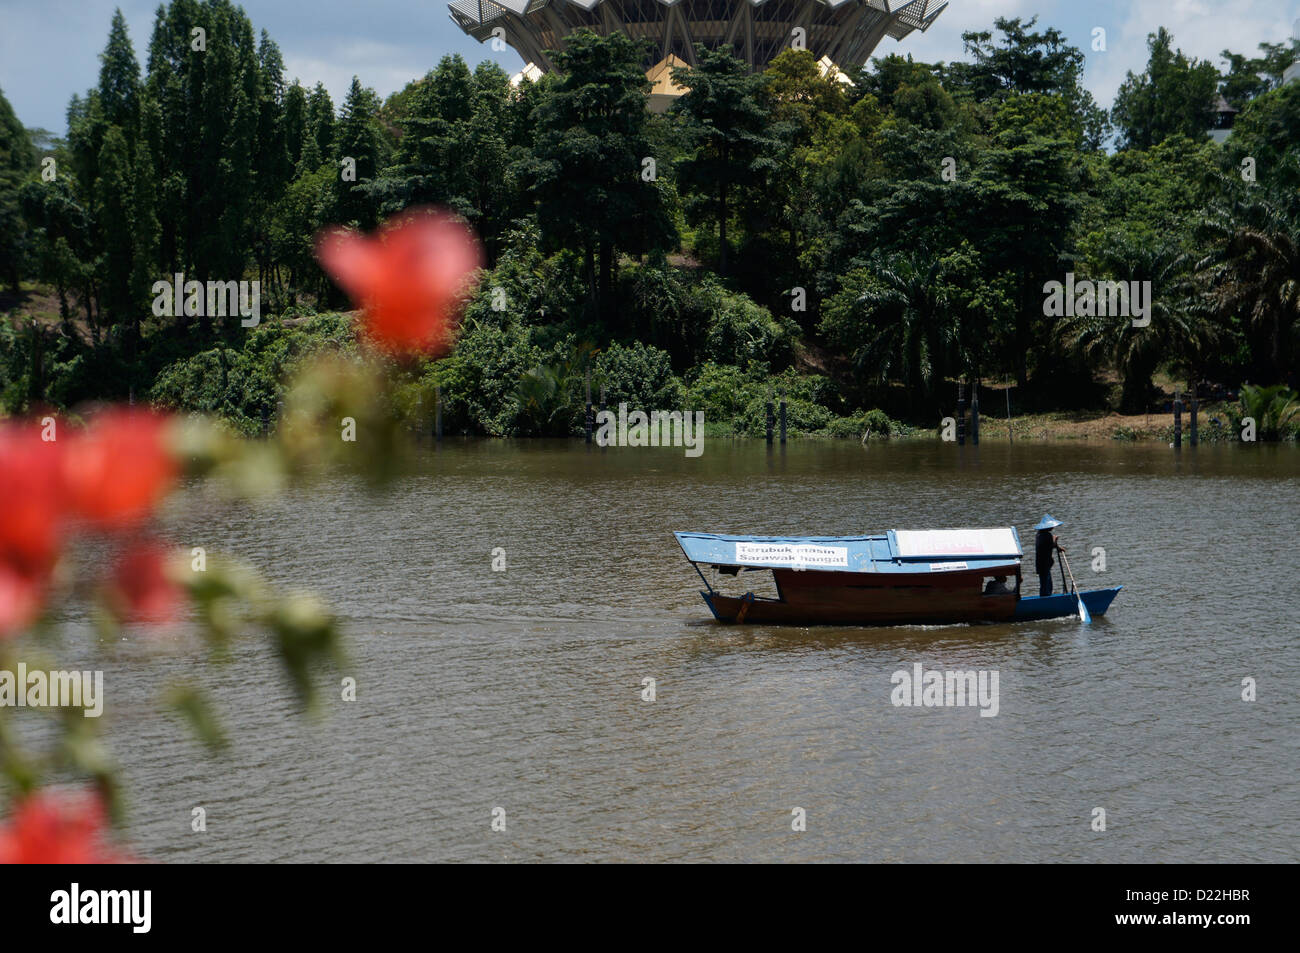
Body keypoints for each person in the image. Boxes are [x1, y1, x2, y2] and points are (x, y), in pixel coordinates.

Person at [1034, 515, 1065, 596]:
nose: (1053, 528)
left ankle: (1047, 596)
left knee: (1047, 584)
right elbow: (1051, 544)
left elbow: (1050, 545)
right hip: (1044, 565)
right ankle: (1045, 599)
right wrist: (1055, 539)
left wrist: (1058, 548)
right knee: (1045, 585)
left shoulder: (1039, 535)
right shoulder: (1046, 536)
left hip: (1043, 565)